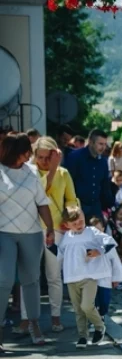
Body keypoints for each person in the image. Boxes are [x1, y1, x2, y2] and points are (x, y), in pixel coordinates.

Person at [0, 134, 55, 346]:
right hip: (4, 233)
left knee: (31, 279)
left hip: (31, 233)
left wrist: (49, 227)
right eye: (26, 152)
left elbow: (42, 202)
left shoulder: (31, 173)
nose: (29, 156)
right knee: (3, 281)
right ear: (17, 152)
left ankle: (34, 324)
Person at [31, 137, 77, 332]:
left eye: (47, 158)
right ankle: (28, 319)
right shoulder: (30, 172)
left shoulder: (63, 173)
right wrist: (51, 170)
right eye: (39, 157)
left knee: (54, 276)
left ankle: (56, 317)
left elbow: (71, 199)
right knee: (30, 276)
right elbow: (39, 192)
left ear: (54, 155)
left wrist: (72, 217)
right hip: (32, 228)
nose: (43, 161)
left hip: (57, 229)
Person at [58, 206, 115, 348]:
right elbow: (60, 253)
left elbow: (109, 241)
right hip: (72, 277)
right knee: (78, 309)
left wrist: (99, 251)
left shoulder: (91, 232)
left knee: (86, 305)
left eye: (81, 221)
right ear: (66, 225)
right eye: (74, 224)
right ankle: (82, 336)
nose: (79, 225)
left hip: (89, 276)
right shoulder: (66, 237)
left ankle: (99, 326)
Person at [65, 129, 114, 223]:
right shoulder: (75, 157)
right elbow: (68, 182)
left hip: (95, 207)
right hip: (77, 207)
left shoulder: (103, 162)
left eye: (105, 144)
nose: (103, 147)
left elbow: (105, 186)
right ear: (91, 142)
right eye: (100, 144)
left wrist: (109, 204)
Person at [87, 215, 122, 318]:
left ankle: (102, 315)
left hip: (105, 276)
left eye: (99, 229)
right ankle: (95, 321)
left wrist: (116, 278)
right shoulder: (86, 244)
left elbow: (115, 261)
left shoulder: (108, 243)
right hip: (91, 277)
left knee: (104, 300)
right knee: (92, 300)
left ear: (103, 229)